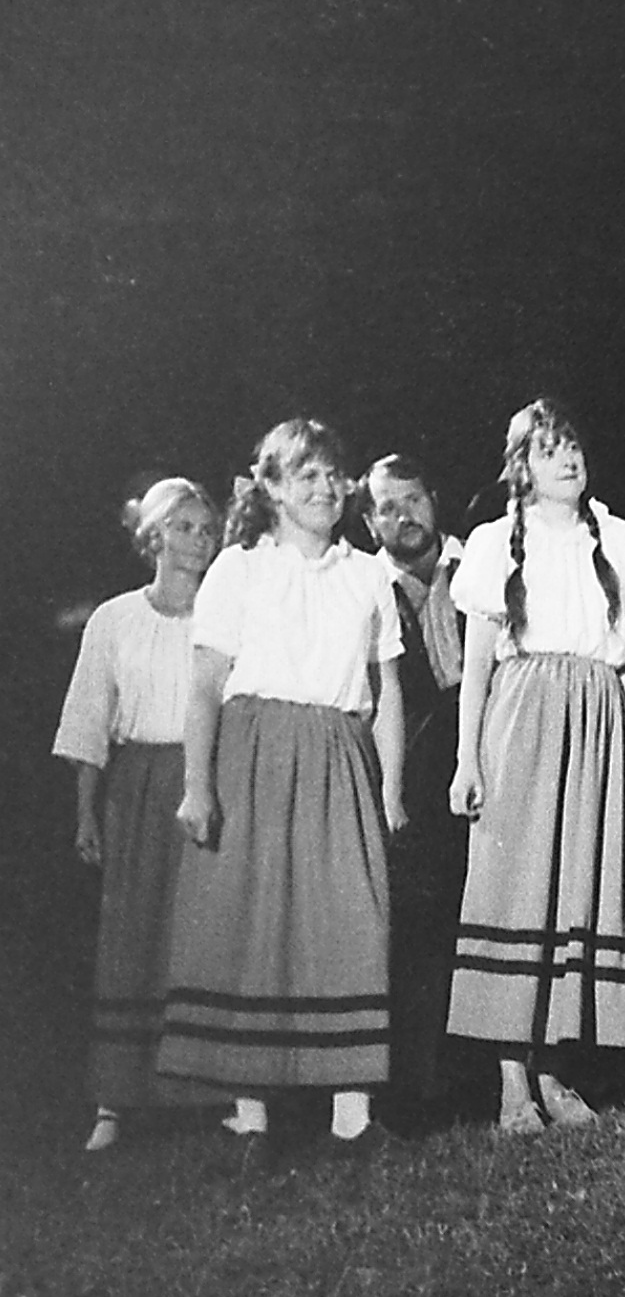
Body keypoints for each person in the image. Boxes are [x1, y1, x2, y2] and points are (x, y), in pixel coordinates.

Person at [159, 422, 407, 1170]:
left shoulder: (368, 576)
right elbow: (205, 686)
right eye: (306, 475)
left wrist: (392, 788)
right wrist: (198, 784)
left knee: (349, 920)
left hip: (339, 752)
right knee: (253, 920)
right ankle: (251, 1117)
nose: (325, 489)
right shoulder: (240, 570)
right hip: (255, 752)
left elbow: (387, 694)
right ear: (270, 487)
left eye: (333, 475)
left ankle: (352, 1117)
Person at [448, 399, 625, 1135]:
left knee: (579, 888)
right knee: (519, 889)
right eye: (548, 451)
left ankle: (555, 1071)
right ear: (522, 468)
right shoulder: (495, 544)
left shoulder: (621, 540)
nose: (568, 460)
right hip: (524, 715)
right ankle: (512, 1083)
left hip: (598, 717)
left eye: (572, 446)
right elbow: (477, 665)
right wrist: (467, 758)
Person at [52, 478, 229, 1148]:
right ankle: (116, 1100)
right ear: (153, 536)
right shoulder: (115, 619)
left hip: (206, 781)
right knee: (133, 932)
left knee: (203, 933)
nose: (198, 541)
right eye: (183, 528)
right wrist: (86, 813)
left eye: (207, 530)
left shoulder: (227, 616)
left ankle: (209, 1091)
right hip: (136, 787)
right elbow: (88, 720)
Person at [363, 454, 473, 1131]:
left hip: (488, 757)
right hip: (411, 770)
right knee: (419, 927)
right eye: (387, 506)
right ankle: (423, 1088)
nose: (404, 516)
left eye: (413, 499)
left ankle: (497, 1074)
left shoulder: (480, 564)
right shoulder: (366, 584)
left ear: (434, 498)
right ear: (369, 521)